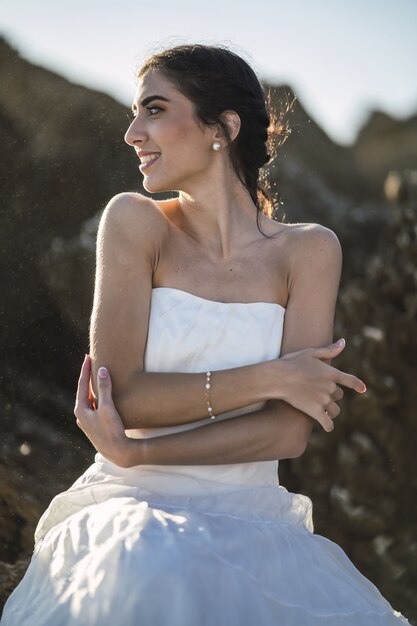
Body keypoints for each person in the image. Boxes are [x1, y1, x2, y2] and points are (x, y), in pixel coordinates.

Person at [1, 44, 409, 625]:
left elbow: (288, 432)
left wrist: (139, 449)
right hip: (135, 509)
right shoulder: (135, 223)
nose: (132, 133)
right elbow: (125, 397)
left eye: (155, 109)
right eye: (134, 112)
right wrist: (272, 376)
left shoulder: (310, 250)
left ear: (224, 126)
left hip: (259, 522)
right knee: (154, 578)